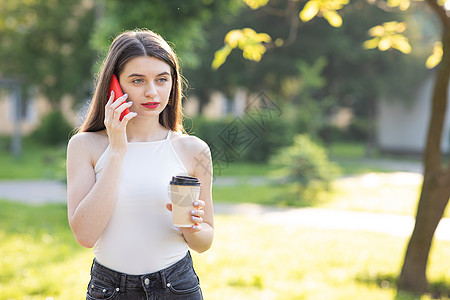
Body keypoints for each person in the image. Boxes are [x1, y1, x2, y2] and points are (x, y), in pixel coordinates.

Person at [66, 29, 213, 300]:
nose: (151, 92)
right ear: (115, 85)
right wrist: (118, 150)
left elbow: (204, 241)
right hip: (110, 290)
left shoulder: (193, 150)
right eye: (137, 80)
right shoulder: (85, 146)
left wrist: (191, 227)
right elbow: (85, 235)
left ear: (173, 83)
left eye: (161, 79)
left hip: (177, 286)